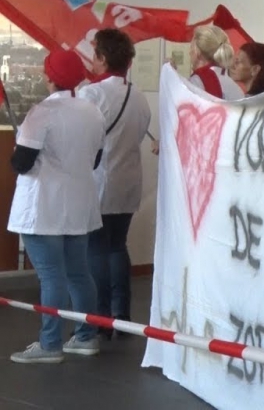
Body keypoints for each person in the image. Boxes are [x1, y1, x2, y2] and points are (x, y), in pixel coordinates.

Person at [8, 49, 106, 363]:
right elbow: (95, 160)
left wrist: (20, 144)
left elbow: (21, 164)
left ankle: (50, 344)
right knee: (79, 274)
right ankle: (86, 337)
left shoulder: (42, 113)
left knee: (51, 276)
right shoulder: (92, 111)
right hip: (79, 204)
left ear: (49, 77)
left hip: (44, 207)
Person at [78, 29, 152, 335]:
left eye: (95, 54)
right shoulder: (139, 97)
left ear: (103, 58)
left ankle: (101, 317)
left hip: (99, 180)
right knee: (117, 246)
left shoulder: (91, 94)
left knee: (96, 249)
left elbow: (83, 137)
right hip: (128, 180)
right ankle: (121, 314)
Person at [188, 25, 243, 100]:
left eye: (191, 48)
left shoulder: (197, 81)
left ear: (198, 53)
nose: (189, 53)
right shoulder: (235, 87)